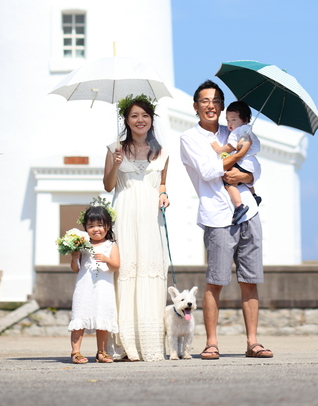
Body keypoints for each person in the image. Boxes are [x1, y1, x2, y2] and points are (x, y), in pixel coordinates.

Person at [180, 80, 273, 360]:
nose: (211, 105)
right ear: (195, 106)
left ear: (222, 106)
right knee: (215, 281)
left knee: (250, 280)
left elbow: (255, 170)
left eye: (216, 101)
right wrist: (240, 155)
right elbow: (209, 171)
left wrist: (243, 175)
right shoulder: (190, 138)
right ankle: (211, 342)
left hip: (248, 211)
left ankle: (253, 341)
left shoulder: (234, 128)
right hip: (217, 216)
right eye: (205, 101)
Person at [103, 95, 169, 361]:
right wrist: (117, 164)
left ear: (151, 119)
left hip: (152, 220)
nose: (140, 120)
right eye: (134, 116)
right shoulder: (113, 149)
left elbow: (162, 184)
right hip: (125, 215)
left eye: (144, 115)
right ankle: (123, 344)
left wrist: (164, 194)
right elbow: (108, 186)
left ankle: (149, 343)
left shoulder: (162, 151)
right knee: (125, 271)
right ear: (126, 121)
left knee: (150, 272)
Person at [68, 204, 120, 364]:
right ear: (85, 228)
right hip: (84, 289)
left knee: (102, 321)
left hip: (103, 290)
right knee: (79, 319)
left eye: (99, 225)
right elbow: (76, 269)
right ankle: (75, 352)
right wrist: (74, 257)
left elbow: (116, 265)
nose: (95, 229)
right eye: (91, 226)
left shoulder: (111, 246)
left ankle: (101, 352)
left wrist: (106, 259)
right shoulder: (83, 245)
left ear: (108, 226)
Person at [210, 101, 262, 223]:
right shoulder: (248, 130)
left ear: (245, 119)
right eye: (227, 120)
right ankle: (254, 195)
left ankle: (239, 206)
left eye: (233, 120)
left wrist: (218, 149)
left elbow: (232, 146)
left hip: (243, 163)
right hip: (252, 164)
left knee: (229, 184)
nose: (229, 124)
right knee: (245, 180)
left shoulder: (239, 132)